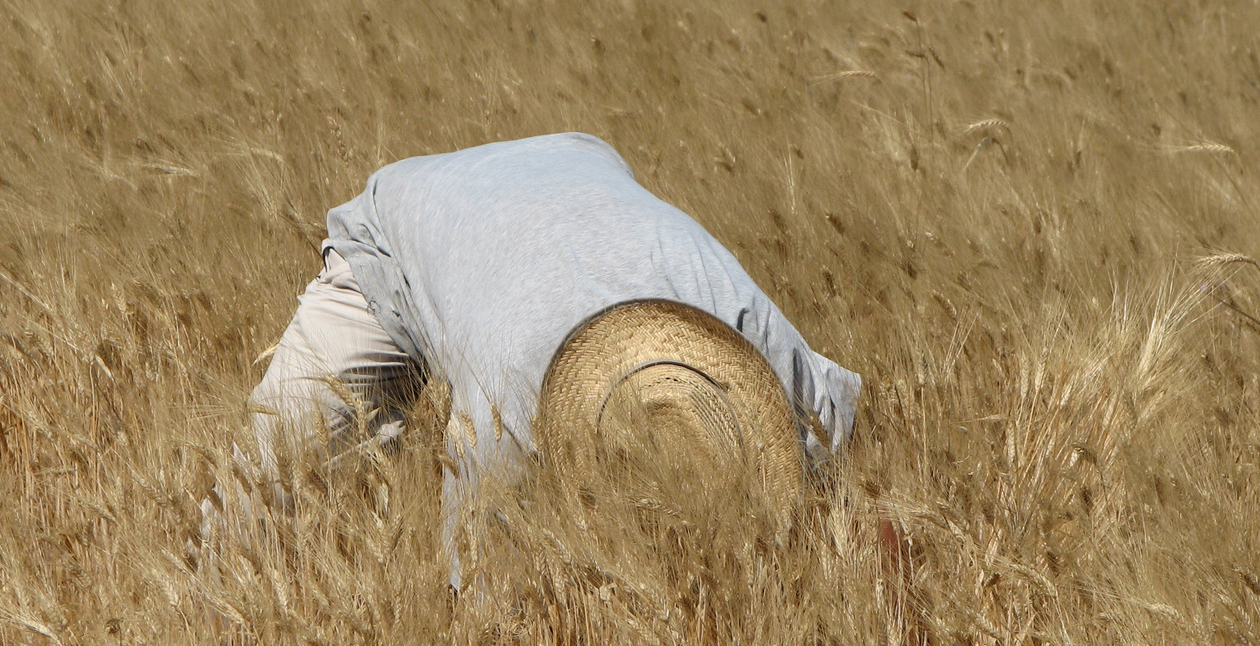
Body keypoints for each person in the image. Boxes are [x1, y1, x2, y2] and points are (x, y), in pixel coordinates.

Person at [239, 132, 862, 587]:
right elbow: (479, 599)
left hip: (576, 160)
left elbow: (846, 462)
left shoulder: (755, 345)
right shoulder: (511, 396)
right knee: (263, 493)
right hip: (396, 233)